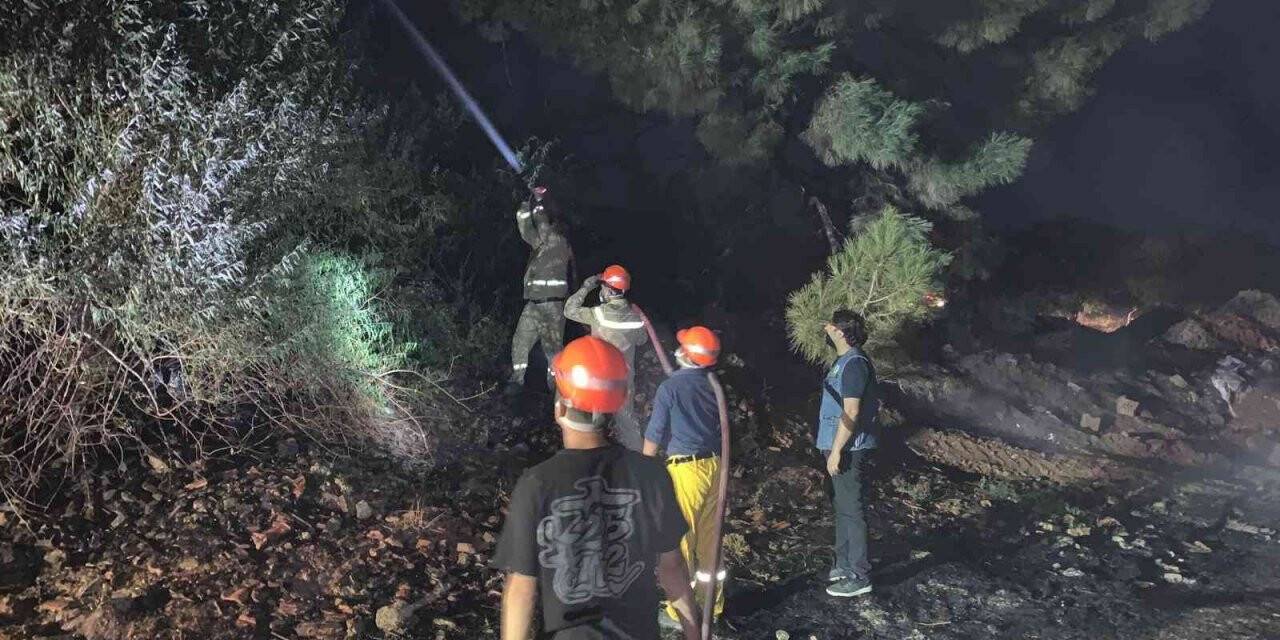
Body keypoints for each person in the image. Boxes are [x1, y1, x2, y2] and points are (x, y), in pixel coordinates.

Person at [493, 336, 702, 640]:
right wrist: (695, 634)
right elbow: (672, 570)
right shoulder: (651, 475)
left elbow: (521, 590)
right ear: (616, 405)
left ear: (559, 409)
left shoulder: (537, 483)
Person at [642, 327, 726, 629]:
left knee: (679, 543)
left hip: (687, 470)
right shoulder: (712, 385)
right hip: (717, 468)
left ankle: (680, 613)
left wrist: (643, 469)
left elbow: (654, 433)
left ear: (686, 354)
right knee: (710, 541)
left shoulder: (670, 388)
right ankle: (710, 606)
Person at [815, 310, 880, 598]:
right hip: (838, 445)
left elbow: (851, 410)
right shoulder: (841, 362)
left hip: (850, 447)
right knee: (842, 507)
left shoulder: (854, 363)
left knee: (852, 509)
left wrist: (837, 451)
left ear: (841, 331)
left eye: (831, 324)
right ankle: (843, 565)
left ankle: (859, 574)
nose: (826, 327)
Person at [563, 264, 649, 449]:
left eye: (603, 286)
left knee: (593, 425)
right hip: (624, 381)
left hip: (597, 382)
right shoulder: (636, 318)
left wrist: (587, 286)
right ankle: (638, 460)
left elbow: (569, 310)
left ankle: (593, 456)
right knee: (627, 422)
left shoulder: (598, 314)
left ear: (609, 290)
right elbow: (642, 340)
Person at [507, 186, 574, 396]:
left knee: (553, 351)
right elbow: (526, 230)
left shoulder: (560, 243)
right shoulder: (543, 245)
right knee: (520, 341)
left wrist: (538, 199)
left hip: (553, 306)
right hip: (534, 304)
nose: (549, 227)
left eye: (553, 225)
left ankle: (557, 389)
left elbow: (541, 224)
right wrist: (525, 204)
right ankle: (517, 380)